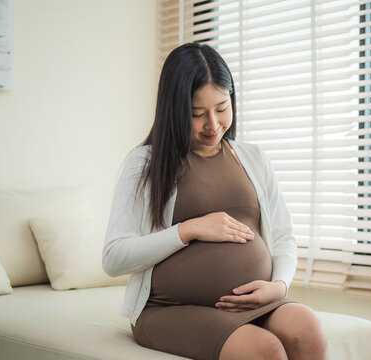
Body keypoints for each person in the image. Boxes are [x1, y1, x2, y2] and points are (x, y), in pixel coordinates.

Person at [102, 42, 328, 360]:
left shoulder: (254, 158)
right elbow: (113, 258)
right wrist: (189, 229)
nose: (213, 124)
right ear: (174, 110)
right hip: (172, 310)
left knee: (308, 329)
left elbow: (283, 237)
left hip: (256, 303)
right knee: (265, 350)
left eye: (222, 108)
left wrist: (278, 286)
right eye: (197, 114)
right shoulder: (146, 163)